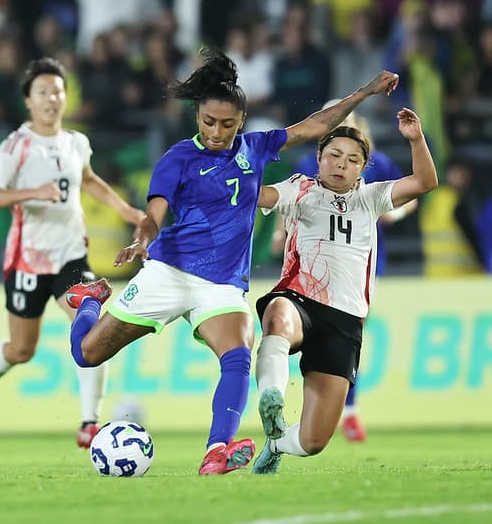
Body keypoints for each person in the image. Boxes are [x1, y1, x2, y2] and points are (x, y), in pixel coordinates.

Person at [65, 46, 399, 475]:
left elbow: (317, 124)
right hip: (169, 271)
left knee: (239, 353)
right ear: (197, 117)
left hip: (222, 285)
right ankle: (90, 300)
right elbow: (154, 214)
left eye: (227, 124)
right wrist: (141, 240)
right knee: (88, 354)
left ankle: (217, 450)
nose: (216, 132)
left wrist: (366, 92)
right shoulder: (178, 158)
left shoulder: (256, 148)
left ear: (241, 121)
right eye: (208, 122)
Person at [0, 57, 145, 448]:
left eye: (58, 92)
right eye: (43, 92)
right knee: (21, 350)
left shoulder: (76, 142)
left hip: (71, 256)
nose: (52, 99)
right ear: (28, 101)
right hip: (28, 260)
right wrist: (32, 192)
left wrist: (127, 211)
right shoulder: (16, 146)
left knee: (92, 329)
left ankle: (89, 423)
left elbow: (89, 180)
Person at [252, 107, 437, 474]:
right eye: (334, 155)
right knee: (277, 315)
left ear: (363, 168)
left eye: (352, 160)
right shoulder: (299, 189)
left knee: (313, 442)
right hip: (300, 300)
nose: (341, 164)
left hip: (344, 318)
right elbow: (258, 196)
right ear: (319, 158)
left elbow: (425, 182)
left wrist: (416, 139)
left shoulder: (371, 197)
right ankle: (271, 394)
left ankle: (277, 443)